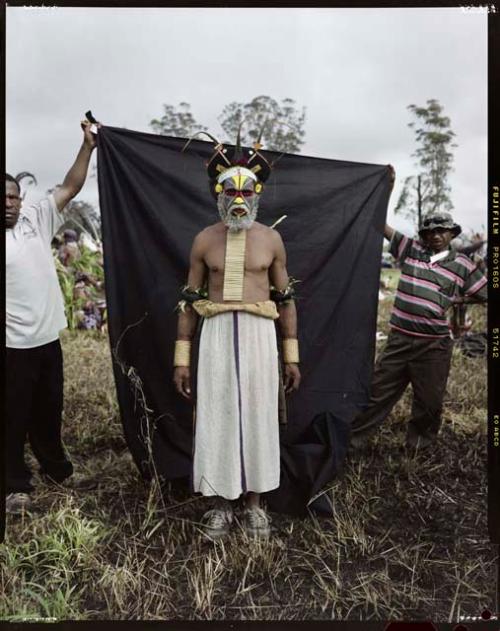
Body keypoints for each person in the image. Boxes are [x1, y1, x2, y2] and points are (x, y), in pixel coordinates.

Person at [173, 133, 301, 539]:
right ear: (219, 192)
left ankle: (255, 506)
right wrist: (181, 358)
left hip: (260, 337)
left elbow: (287, 299)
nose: (239, 196)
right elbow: (188, 301)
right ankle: (219, 506)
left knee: (259, 414)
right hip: (215, 339)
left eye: (247, 189)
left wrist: (291, 355)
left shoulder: (271, 240)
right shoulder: (204, 240)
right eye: (231, 189)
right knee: (217, 414)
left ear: (258, 192)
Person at [350, 166, 487, 449]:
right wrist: (387, 187)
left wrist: (459, 299)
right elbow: (378, 223)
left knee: (430, 401)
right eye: (430, 231)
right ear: (423, 234)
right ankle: (352, 441)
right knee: (377, 393)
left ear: (451, 234)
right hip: (400, 340)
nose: (435, 235)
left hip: (433, 346)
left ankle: (418, 447)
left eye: (441, 230)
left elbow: (487, 294)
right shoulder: (411, 249)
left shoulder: (462, 265)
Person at [5, 120, 99, 514]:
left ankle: (56, 470)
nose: (7, 203)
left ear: (20, 200)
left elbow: (70, 186)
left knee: (48, 410)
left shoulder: (36, 220)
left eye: (12, 196)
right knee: (11, 418)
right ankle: (14, 486)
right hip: (11, 347)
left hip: (47, 340)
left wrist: (88, 146)